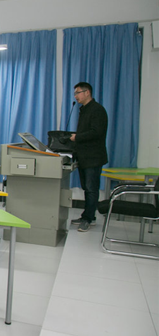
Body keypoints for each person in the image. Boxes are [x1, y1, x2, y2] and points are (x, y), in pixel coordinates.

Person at [69, 82, 108, 232]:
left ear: (87, 93)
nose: (76, 96)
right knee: (87, 188)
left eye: (78, 93)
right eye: (75, 93)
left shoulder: (97, 110)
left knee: (91, 189)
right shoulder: (84, 110)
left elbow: (96, 132)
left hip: (93, 157)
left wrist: (77, 137)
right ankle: (88, 215)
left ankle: (88, 219)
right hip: (84, 156)